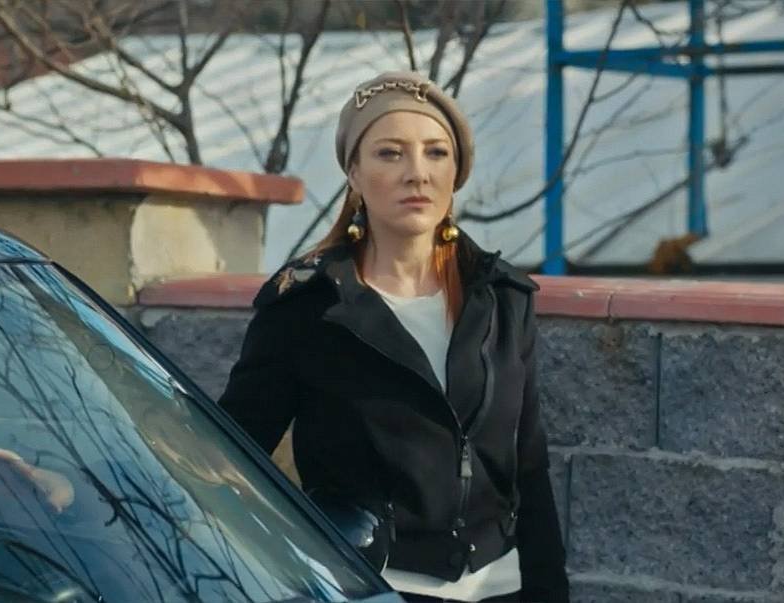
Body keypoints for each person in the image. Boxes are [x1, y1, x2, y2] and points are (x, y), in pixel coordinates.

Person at [219, 71, 569, 603]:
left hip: (503, 588)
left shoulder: (503, 298)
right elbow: (229, 455)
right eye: (390, 153)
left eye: (436, 153)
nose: (417, 173)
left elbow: (529, 467)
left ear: (456, 172)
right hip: (375, 588)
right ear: (354, 173)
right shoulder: (308, 308)